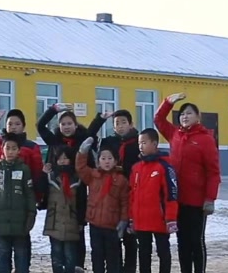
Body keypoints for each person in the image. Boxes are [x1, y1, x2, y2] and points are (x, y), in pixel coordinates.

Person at [154, 93, 220, 273]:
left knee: (196, 241)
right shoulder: (175, 134)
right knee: (182, 241)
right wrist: (168, 102)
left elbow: (213, 172)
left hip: (197, 202)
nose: (185, 116)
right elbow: (158, 119)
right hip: (178, 200)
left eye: (189, 113)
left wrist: (210, 198)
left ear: (198, 117)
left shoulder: (205, 139)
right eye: (182, 114)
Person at [0, 108, 44, 262]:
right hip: (2, 203)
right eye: (10, 124)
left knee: (22, 247)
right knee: (3, 249)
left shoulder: (31, 146)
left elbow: (36, 173)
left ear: (23, 126)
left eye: (17, 123)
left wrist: (37, 198)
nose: (13, 127)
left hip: (22, 203)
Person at [88, 109, 142, 273]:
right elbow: (89, 136)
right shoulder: (108, 142)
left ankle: (130, 269)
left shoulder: (137, 143)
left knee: (130, 237)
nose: (120, 126)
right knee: (113, 239)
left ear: (131, 124)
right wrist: (99, 120)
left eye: (123, 122)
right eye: (116, 123)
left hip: (131, 193)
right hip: (110, 194)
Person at [38, 103, 91, 269]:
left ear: (75, 125)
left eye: (70, 124)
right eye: (63, 124)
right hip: (57, 188)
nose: (66, 127)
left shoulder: (81, 139)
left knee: (77, 234)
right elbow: (40, 125)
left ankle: (78, 267)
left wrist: (100, 119)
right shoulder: (54, 140)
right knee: (58, 243)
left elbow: (93, 133)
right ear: (59, 126)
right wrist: (53, 110)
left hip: (78, 186)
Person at [76, 137, 129, 273]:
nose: (106, 161)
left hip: (112, 225)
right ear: (98, 160)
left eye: (110, 158)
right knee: (97, 255)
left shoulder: (121, 180)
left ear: (115, 161)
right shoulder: (93, 175)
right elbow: (80, 168)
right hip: (95, 224)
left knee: (113, 257)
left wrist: (123, 221)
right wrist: (82, 151)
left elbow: (124, 202)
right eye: (103, 158)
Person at [0, 133, 37, 273]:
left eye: (14, 148)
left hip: (20, 223)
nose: (10, 151)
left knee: (21, 257)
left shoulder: (24, 169)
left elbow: (29, 194)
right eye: (7, 148)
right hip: (1, 223)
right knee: (2, 256)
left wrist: (31, 214)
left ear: (19, 150)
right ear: (2, 149)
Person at [130, 128, 179, 273]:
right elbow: (131, 194)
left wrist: (170, 218)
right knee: (144, 253)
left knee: (163, 251)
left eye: (144, 142)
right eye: (139, 143)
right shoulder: (136, 168)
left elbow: (171, 194)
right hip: (141, 220)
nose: (141, 146)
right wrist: (131, 217)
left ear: (155, 143)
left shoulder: (164, 166)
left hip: (160, 220)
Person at [41, 146, 85, 273]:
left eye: (65, 158)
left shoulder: (77, 179)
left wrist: (81, 221)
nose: (63, 161)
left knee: (70, 256)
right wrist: (43, 174)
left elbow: (82, 202)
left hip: (71, 221)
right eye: (60, 159)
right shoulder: (51, 177)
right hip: (54, 221)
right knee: (56, 255)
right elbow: (41, 192)